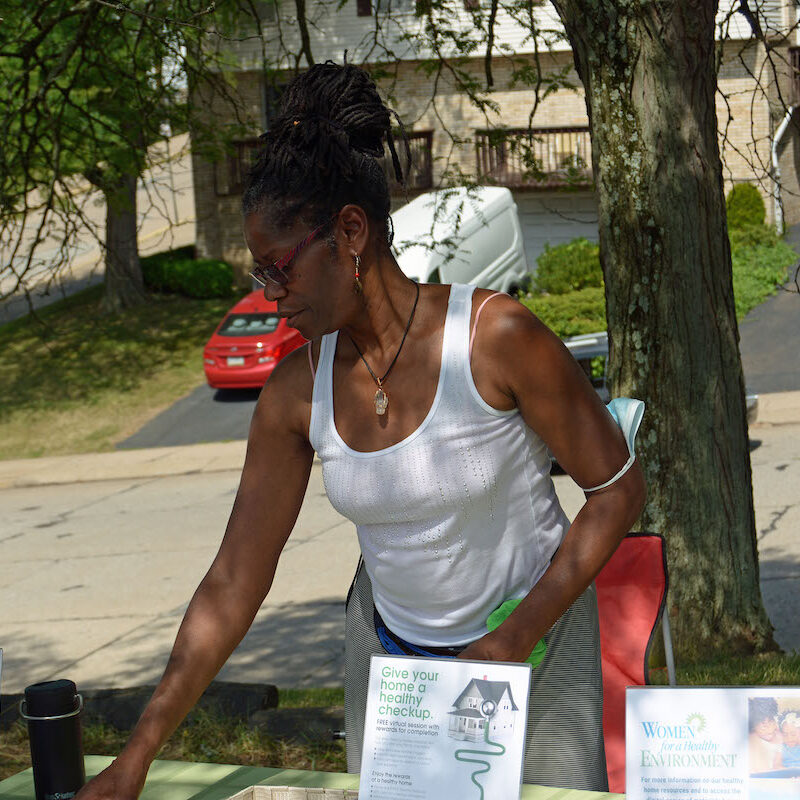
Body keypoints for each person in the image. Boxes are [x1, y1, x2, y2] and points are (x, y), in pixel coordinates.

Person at [76, 61, 645, 798]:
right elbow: (231, 583)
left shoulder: (494, 338)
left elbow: (616, 491)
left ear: (349, 231)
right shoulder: (293, 394)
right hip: (390, 663)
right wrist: (138, 753)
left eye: (278, 269)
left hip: (532, 647)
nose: (272, 298)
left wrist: (516, 633)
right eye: (259, 277)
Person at [749, 697, 784, 773]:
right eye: (763, 724)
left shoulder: (782, 734)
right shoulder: (753, 739)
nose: (769, 727)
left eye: (771, 721)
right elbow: (762, 772)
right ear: (753, 726)